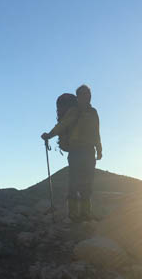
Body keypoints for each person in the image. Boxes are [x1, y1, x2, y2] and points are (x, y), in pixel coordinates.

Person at [41, 84, 102, 221]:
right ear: (78, 96)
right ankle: (73, 215)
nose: (87, 97)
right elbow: (62, 125)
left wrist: (99, 150)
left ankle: (85, 213)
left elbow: (96, 132)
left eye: (88, 94)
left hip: (89, 151)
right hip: (76, 151)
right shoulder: (74, 111)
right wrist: (49, 135)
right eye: (83, 94)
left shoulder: (93, 112)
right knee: (74, 183)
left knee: (87, 183)